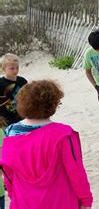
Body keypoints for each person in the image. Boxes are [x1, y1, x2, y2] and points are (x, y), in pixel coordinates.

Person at [1, 80, 93, 208]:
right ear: (53, 104)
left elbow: (8, 173)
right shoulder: (64, 134)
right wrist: (86, 200)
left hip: (24, 200)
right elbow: (76, 172)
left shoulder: (10, 133)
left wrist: (14, 196)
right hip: (60, 200)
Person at [0, 53, 27, 126]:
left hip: (23, 115)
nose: (15, 70)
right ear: (3, 68)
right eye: (12, 68)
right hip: (8, 118)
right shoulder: (1, 84)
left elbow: (28, 97)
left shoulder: (22, 81)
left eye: (17, 67)